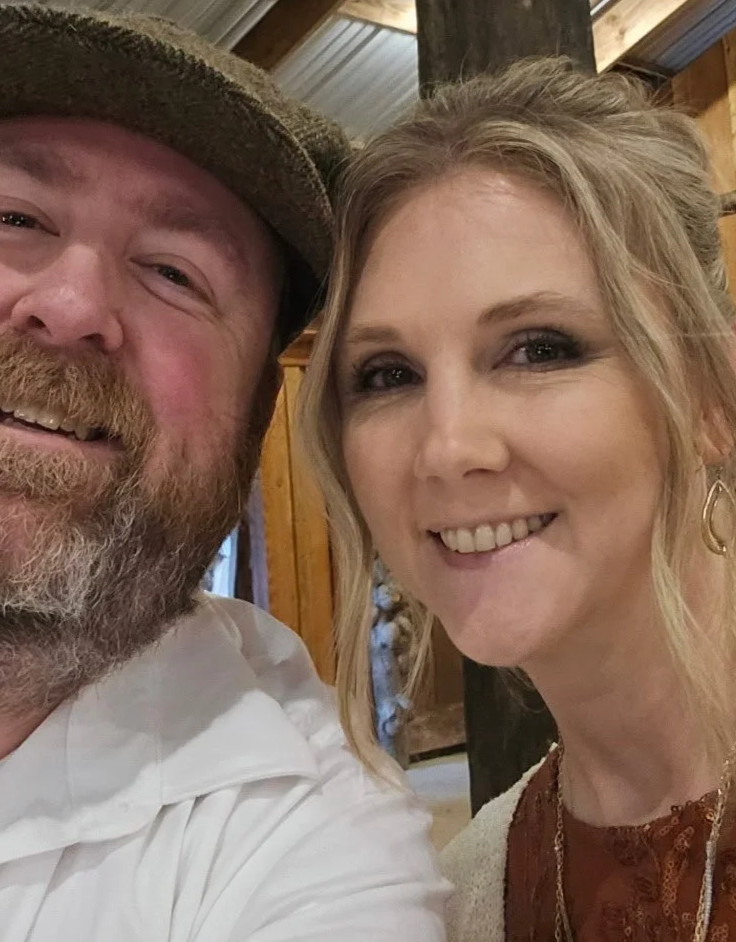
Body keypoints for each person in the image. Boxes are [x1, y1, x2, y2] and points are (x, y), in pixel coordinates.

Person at [0, 3, 448, 942]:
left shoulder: (309, 852)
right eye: (14, 217)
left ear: (255, 416)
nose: (71, 306)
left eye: (177, 273)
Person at [298, 55, 736, 941]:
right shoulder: (468, 895)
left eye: (539, 349)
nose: (448, 448)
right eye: (387, 374)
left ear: (707, 401)